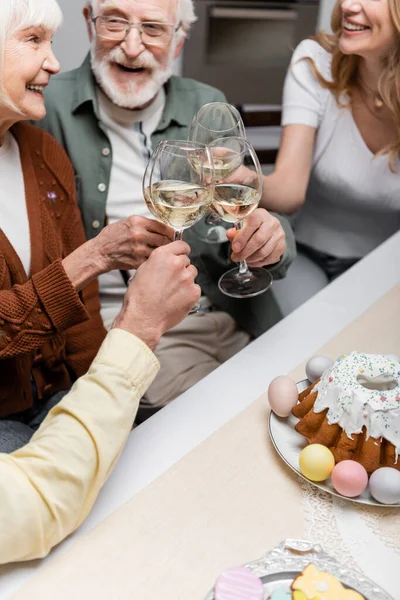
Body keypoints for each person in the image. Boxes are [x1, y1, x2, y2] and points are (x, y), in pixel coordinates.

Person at [37, 0, 296, 412]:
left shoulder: (206, 102)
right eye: (116, 23)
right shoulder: (45, 107)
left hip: (233, 311)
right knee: (230, 425)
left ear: (178, 42)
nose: (132, 45)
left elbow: (244, 204)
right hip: (142, 327)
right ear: (90, 24)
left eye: (154, 29)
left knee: (304, 403)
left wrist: (269, 241)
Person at [0, 0, 176, 452]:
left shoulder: (42, 152)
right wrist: (94, 257)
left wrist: (113, 399)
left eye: (51, 41)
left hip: (59, 398)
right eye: (34, 40)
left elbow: (82, 312)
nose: (55, 62)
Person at [0, 240, 201, 565]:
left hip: (59, 390)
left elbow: (84, 317)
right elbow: (34, 503)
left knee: (149, 483)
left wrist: (97, 383)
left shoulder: (39, 186)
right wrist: (136, 328)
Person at [261, 0, 400, 316]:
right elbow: (287, 192)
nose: (348, 5)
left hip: (386, 270)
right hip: (301, 255)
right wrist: (243, 180)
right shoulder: (316, 62)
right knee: (305, 345)